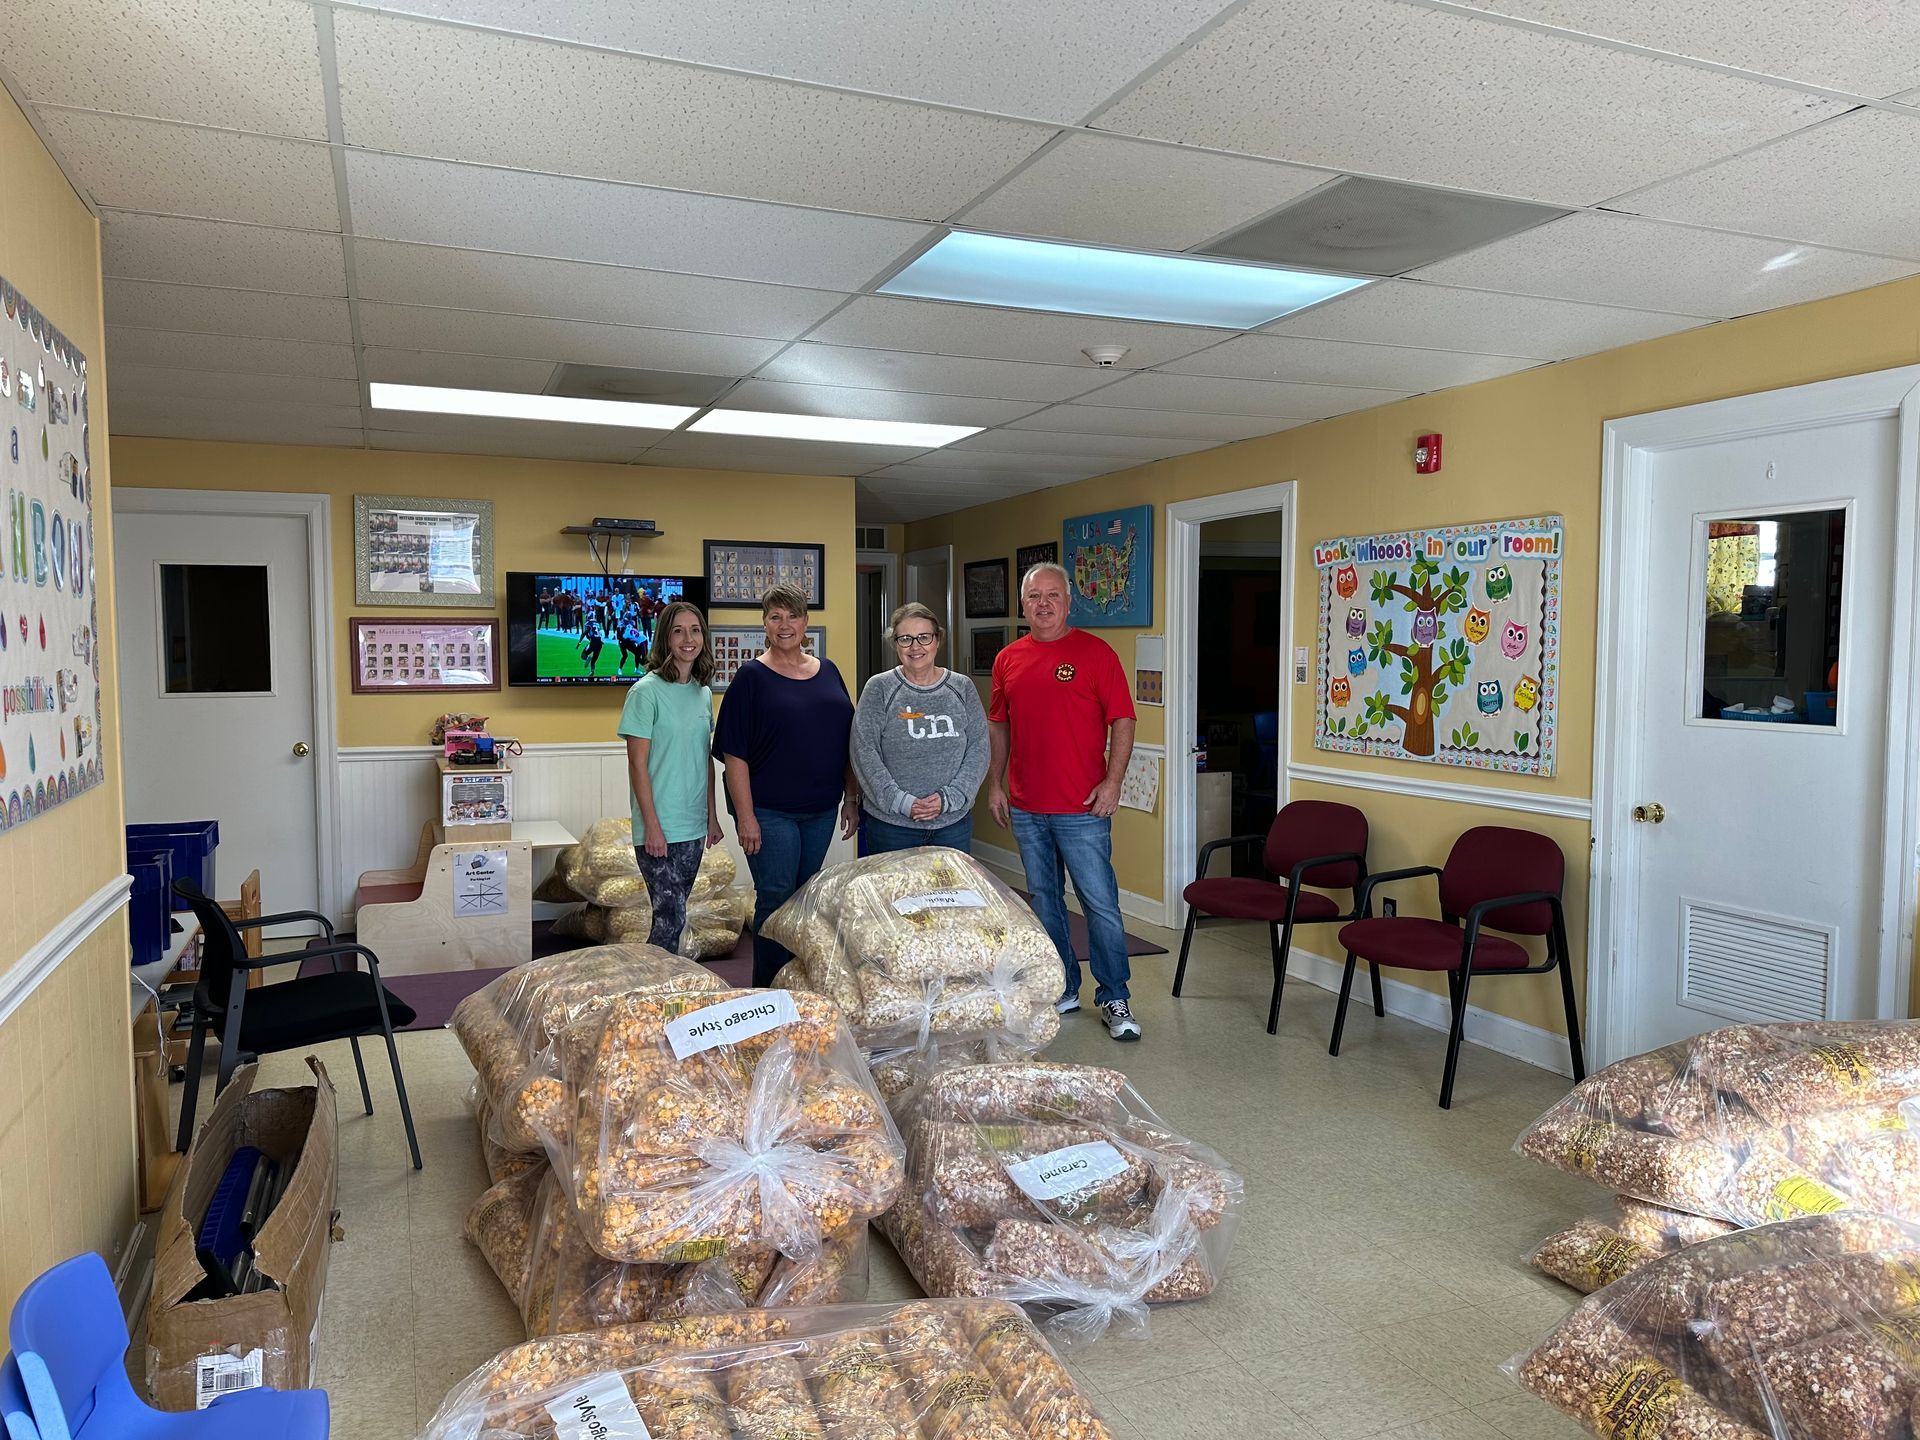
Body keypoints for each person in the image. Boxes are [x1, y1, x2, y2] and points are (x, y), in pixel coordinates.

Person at [987, 561, 1141, 1042]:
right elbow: (999, 724)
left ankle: (1115, 995)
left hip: (1083, 809)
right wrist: (996, 783)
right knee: (1046, 904)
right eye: (1034, 597)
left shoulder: (1096, 654)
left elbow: (1124, 720)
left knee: (1101, 905)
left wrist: (1113, 782)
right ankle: (1064, 987)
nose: (1044, 604)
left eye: (1053, 595)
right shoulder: (1008, 658)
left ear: (1069, 602)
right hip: (1028, 806)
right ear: (1023, 605)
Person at [713, 584, 858, 986]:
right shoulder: (751, 677)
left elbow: (847, 739)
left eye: (792, 616)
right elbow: (734, 753)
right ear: (764, 624)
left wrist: (852, 796)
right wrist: (746, 818)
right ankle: (768, 993)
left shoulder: (828, 670)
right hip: (770, 811)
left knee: (805, 899)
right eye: (775, 617)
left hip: (821, 808)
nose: (784, 624)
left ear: (806, 622)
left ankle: (797, 986)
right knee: (776, 898)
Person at [617, 601, 725, 951]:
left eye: (695, 630)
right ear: (665, 638)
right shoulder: (645, 692)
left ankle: (664, 990)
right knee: (670, 917)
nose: (688, 639)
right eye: (678, 631)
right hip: (658, 826)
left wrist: (712, 816)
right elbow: (637, 765)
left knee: (676, 917)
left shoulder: (703, 693)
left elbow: (704, 759)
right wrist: (651, 825)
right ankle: (651, 991)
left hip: (693, 825)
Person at [852, 602, 989, 854]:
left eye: (924, 637)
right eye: (905, 639)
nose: (915, 647)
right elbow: (863, 751)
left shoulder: (962, 687)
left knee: (951, 893)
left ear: (937, 640)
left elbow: (979, 749)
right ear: (895, 644)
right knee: (895, 894)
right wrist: (902, 802)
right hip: (893, 827)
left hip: (952, 825)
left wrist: (950, 798)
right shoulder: (879, 688)